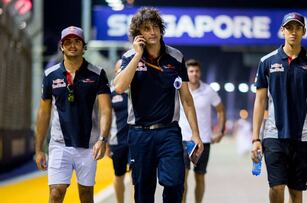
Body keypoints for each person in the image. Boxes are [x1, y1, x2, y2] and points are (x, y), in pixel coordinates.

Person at [113, 7, 204, 203]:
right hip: (139, 134)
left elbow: (186, 99)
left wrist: (196, 134)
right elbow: (119, 87)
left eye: (155, 27)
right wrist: (138, 55)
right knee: (143, 191)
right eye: (146, 29)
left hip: (169, 132)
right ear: (139, 34)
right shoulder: (130, 57)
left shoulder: (176, 57)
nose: (152, 32)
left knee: (174, 184)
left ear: (161, 29)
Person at [251, 12, 307, 203]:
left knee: (295, 191)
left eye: (297, 28)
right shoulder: (266, 62)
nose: (293, 32)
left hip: (304, 136)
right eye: (289, 28)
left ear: (304, 31)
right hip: (273, 134)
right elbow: (259, 101)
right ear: (282, 31)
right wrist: (255, 139)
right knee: (276, 187)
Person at [34, 26, 112, 203]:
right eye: (67, 42)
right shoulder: (50, 75)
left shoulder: (97, 74)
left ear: (84, 46)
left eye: (77, 41)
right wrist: (39, 149)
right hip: (59, 144)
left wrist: (103, 139)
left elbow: (106, 109)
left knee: (85, 195)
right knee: (56, 193)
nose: (72, 45)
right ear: (61, 46)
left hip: (88, 145)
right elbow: (44, 112)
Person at [178, 59, 225, 203]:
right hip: (183, 139)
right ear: (186, 73)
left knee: (200, 176)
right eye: (191, 71)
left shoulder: (209, 90)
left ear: (200, 73)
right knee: (182, 178)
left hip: (203, 141)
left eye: (197, 71)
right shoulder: (179, 89)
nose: (194, 74)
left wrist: (219, 131)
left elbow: (221, 111)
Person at [107, 59, 133, 203]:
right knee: (119, 175)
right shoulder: (110, 94)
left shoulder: (137, 90)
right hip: (117, 141)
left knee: (136, 175)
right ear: (115, 73)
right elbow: (105, 117)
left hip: (136, 139)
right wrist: (104, 141)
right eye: (119, 70)